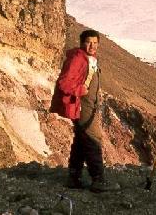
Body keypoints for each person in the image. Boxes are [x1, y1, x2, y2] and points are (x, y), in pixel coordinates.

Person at [50, 29, 110, 193]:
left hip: (87, 105)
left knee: (81, 140)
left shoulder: (90, 59)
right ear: (82, 42)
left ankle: (73, 177)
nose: (92, 46)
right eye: (89, 42)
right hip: (82, 106)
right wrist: (79, 90)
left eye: (95, 43)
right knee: (92, 138)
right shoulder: (77, 58)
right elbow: (63, 83)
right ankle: (98, 180)